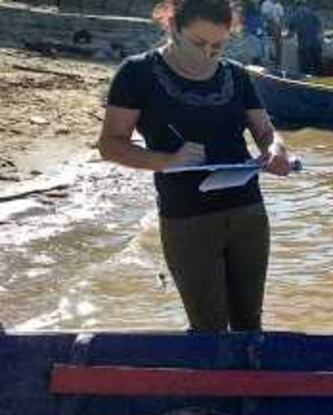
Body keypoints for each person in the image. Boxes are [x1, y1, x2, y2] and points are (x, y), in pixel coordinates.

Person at [97, 0, 292, 332]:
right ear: (172, 27)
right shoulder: (137, 73)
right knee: (207, 328)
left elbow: (264, 130)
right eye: (199, 44)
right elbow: (110, 144)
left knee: (249, 322)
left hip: (248, 211)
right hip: (187, 218)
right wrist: (166, 161)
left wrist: (275, 151)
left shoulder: (236, 74)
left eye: (218, 45)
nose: (208, 54)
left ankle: (247, 383)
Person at [285, 0, 323, 76]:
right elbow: (320, 29)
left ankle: (305, 84)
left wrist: (283, 37)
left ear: (295, 5)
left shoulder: (293, 16)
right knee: (317, 68)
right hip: (317, 45)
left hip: (304, 46)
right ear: (305, 4)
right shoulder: (312, 14)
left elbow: (290, 34)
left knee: (305, 71)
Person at [260, 0, 285, 68]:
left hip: (277, 28)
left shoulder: (279, 5)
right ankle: (270, 62)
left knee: (279, 45)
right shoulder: (266, 4)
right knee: (269, 46)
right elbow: (265, 16)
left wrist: (281, 28)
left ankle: (278, 63)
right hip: (268, 28)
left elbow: (282, 18)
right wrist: (272, 26)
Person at [241, 0, 265, 65]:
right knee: (257, 57)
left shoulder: (246, 17)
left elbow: (244, 27)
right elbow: (261, 28)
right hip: (258, 37)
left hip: (251, 37)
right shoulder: (258, 17)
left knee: (253, 57)